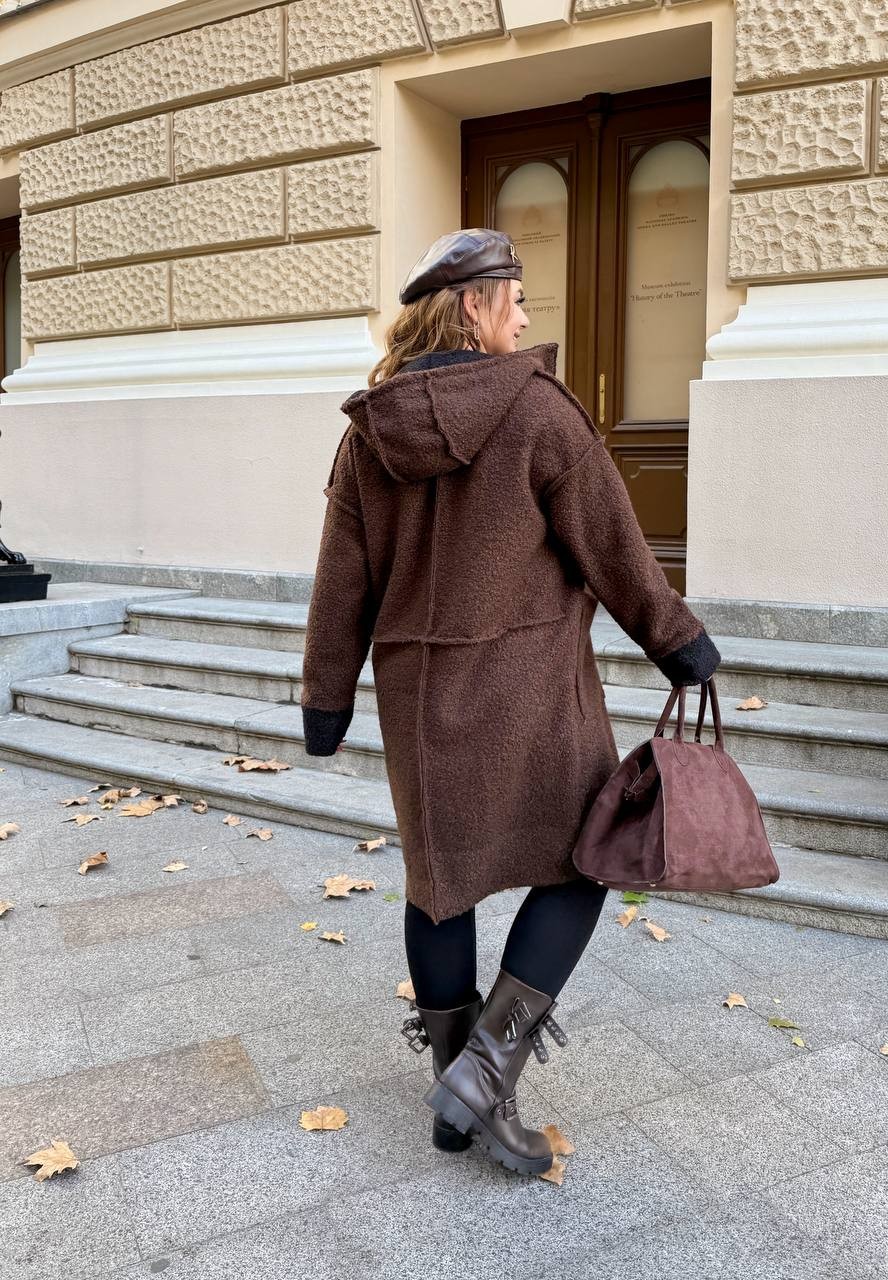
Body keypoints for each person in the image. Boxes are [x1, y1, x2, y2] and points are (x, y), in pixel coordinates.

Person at [300, 228, 721, 1177]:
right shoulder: (539, 411)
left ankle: (459, 1098)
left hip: (420, 702)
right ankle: (483, 1079)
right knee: (581, 864)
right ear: (474, 305)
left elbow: (340, 584)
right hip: (535, 698)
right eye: (516, 300)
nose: (526, 319)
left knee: (437, 886)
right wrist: (679, 645)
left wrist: (326, 701)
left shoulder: (368, 434)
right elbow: (615, 546)